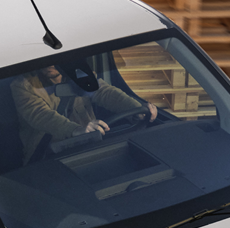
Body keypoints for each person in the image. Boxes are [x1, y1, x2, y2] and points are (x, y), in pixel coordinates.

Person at [10, 64, 158, 163]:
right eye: (44, 58)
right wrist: (77, 130)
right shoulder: (22, 85)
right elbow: (41, 115)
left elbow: (103, 92)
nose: (49, 63)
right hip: (49, 155)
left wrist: (137, 109)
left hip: (88, 146)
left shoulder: (78, 73)